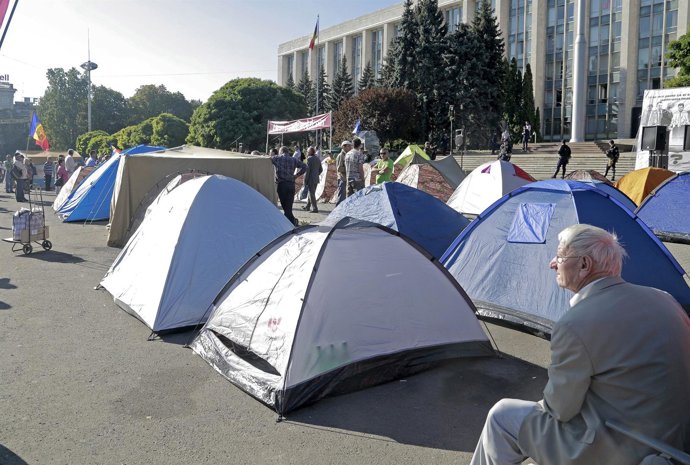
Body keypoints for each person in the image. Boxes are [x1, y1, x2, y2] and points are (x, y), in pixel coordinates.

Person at [469, 224, 690, 465]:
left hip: (622, 447)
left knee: (502, 415)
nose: (552, 263)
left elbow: (560, 409)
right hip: (675, 442)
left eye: (560, 256)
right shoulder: (664, 299)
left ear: (584, 264)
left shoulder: (576, 323)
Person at [271, 145, 305, 226]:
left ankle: (290, 222)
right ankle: (292, 221)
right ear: (288, 152)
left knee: (285, 206)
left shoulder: (277, 158)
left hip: (282, 184)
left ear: (281, 152)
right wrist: (296, 175)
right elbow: (305, 166)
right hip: (291, 184)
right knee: (289, 205)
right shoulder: (293, 159)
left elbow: (269, 158)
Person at [301, 146, 322, 213]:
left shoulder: (308, 159)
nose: (306, 152)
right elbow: (321, 169)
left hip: (310, 179)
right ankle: (307, 206)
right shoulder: (317, 159)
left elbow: (307, 171)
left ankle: (315, 208)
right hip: (316, 178)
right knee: (311, 193)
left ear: (310, 152)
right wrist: (316, 174)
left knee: (311, 194)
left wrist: (305, 181)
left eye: (307, 151)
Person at [335, 140, 352, 206]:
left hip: (346, 178)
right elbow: (339, 168)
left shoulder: (347, 155)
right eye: (349, 146)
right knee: (341, 195)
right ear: (344, 147)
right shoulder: (341, 155)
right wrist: (348, 168)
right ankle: (337, 210)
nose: (350, 148)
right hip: (342, 178)